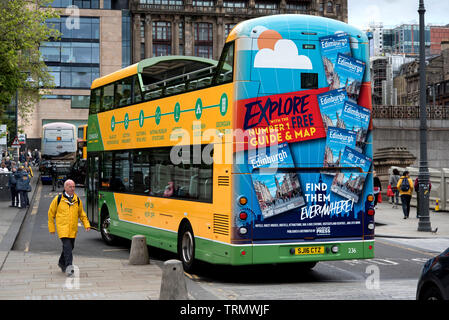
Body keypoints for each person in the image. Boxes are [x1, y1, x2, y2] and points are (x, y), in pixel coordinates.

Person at [48, 179, 90, 277]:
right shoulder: (58, 199)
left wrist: (86, 224)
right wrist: (52, 228)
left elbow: (82, 214)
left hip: (73, 229)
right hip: (62, 229)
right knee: (67, 248)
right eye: (70, 187)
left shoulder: (77, 200)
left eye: (73, 187)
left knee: (71, 247)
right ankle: (69, 268)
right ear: (65, 187)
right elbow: (51, 214)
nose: (72, 189)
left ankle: (61, 262)